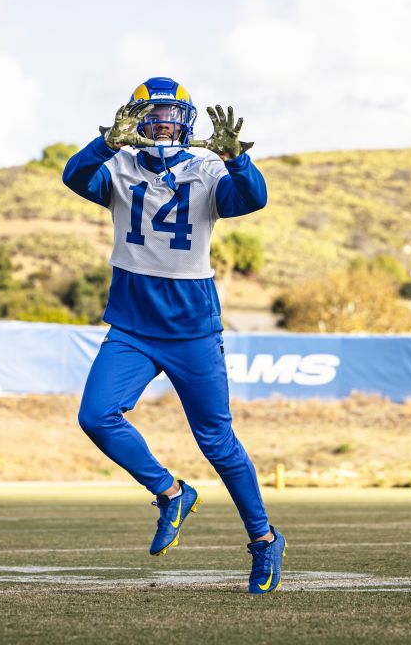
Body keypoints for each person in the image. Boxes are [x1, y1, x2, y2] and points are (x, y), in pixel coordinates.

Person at [61, 76, 286, 594]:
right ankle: (170, 492)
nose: (165, 124)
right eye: (155, 116)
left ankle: (263, 539)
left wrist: (238, 161)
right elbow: (74, 177)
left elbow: (252, 199)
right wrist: (105, 143)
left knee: (217, 441)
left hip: (190, 325)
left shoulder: (206, 168)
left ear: (186, 123)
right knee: (96, 415)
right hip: (133, 321)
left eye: (173, 116)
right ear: (137, 120)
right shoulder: (116, 165)